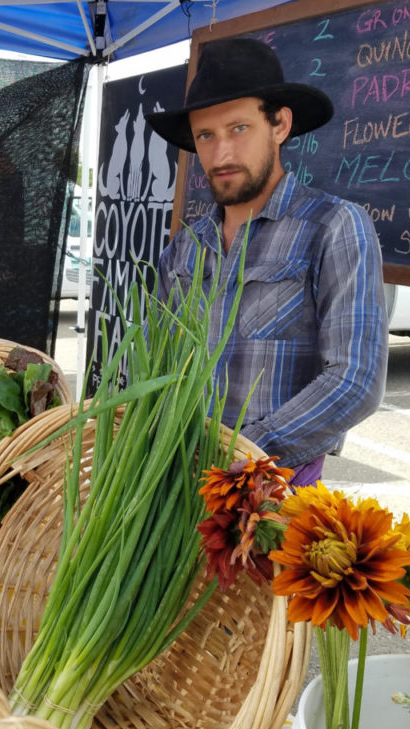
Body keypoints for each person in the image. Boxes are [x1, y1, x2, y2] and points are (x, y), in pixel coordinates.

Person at [144, 37, 388, 485]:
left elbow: (356, 380)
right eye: (206, 135)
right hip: (177, 482)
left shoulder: (333, 227)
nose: (221, 154)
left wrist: (242, 458)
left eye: (239, 128)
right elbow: (154, 365)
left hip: (276, 490)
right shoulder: (184, 248)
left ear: (280, 125)